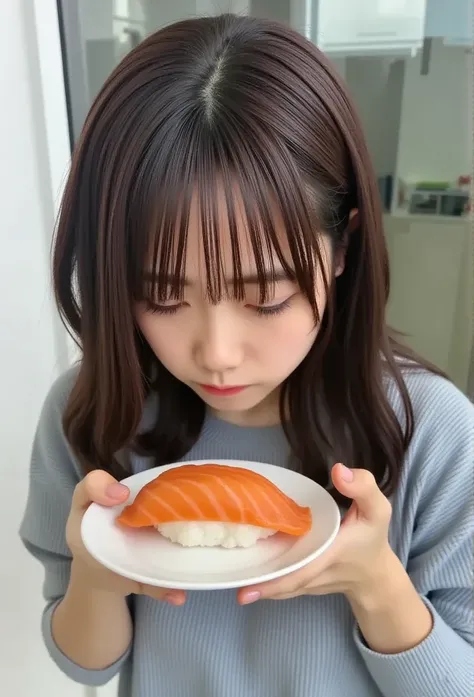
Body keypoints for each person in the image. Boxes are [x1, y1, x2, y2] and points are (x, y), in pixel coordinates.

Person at [19, 13, 473, 697]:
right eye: (163, 299)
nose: (217, 354)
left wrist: (375, 581)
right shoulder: (92, 410)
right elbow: (86, 663)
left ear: (343, 247)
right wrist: (97, 576)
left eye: (265, 300)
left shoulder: (434, 431)